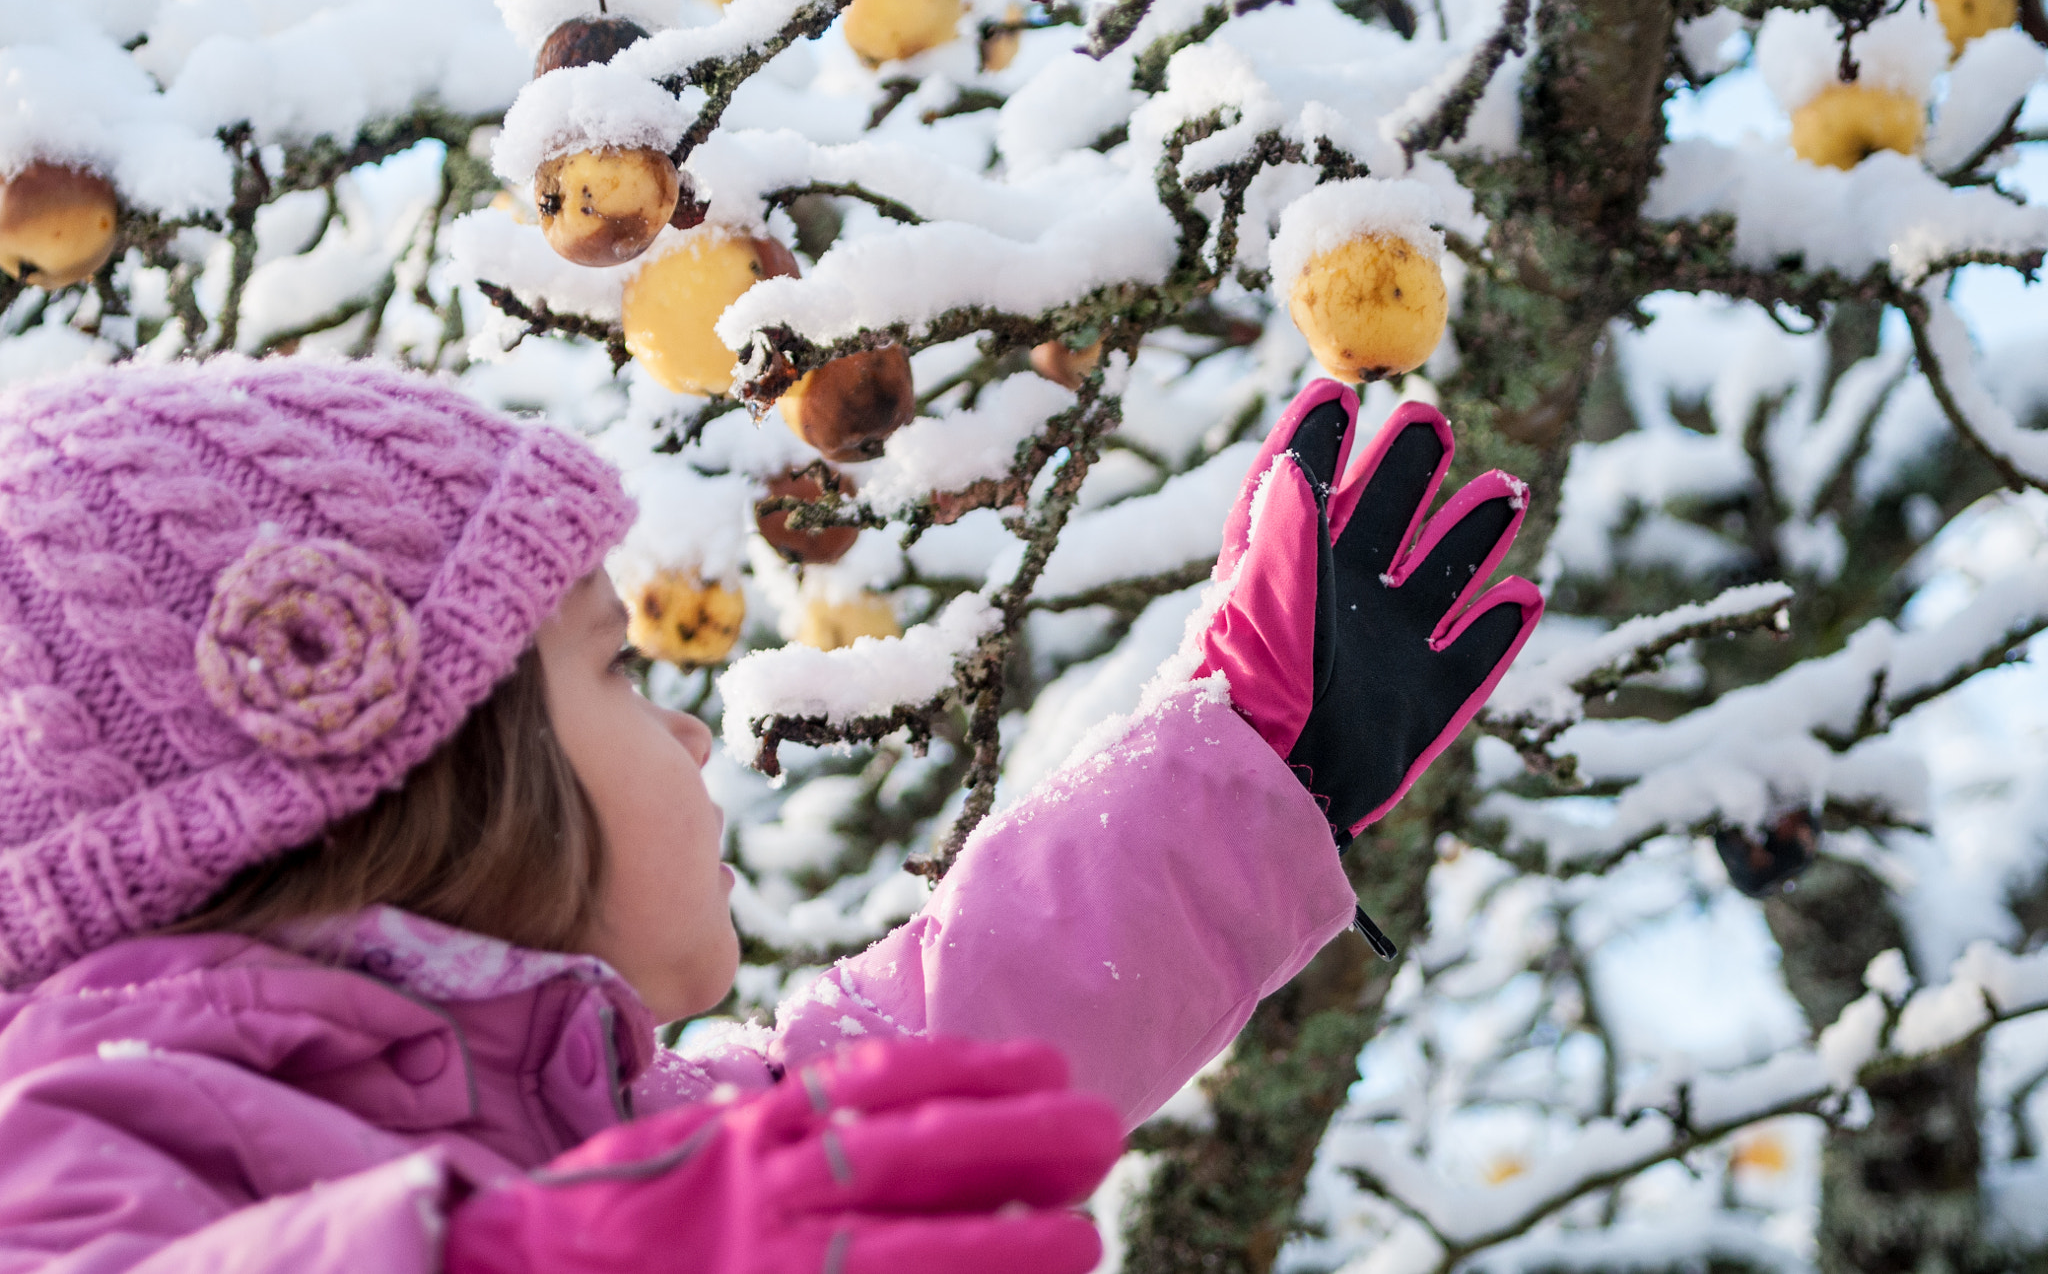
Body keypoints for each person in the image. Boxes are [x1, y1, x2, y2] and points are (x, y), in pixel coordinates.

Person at [0, 359, 1540, 1274]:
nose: (684, 724)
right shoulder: (84, 1137)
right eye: (611, 667)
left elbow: (928, 1051)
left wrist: (1242, 773)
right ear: (403, 769)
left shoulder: (620, 1149)